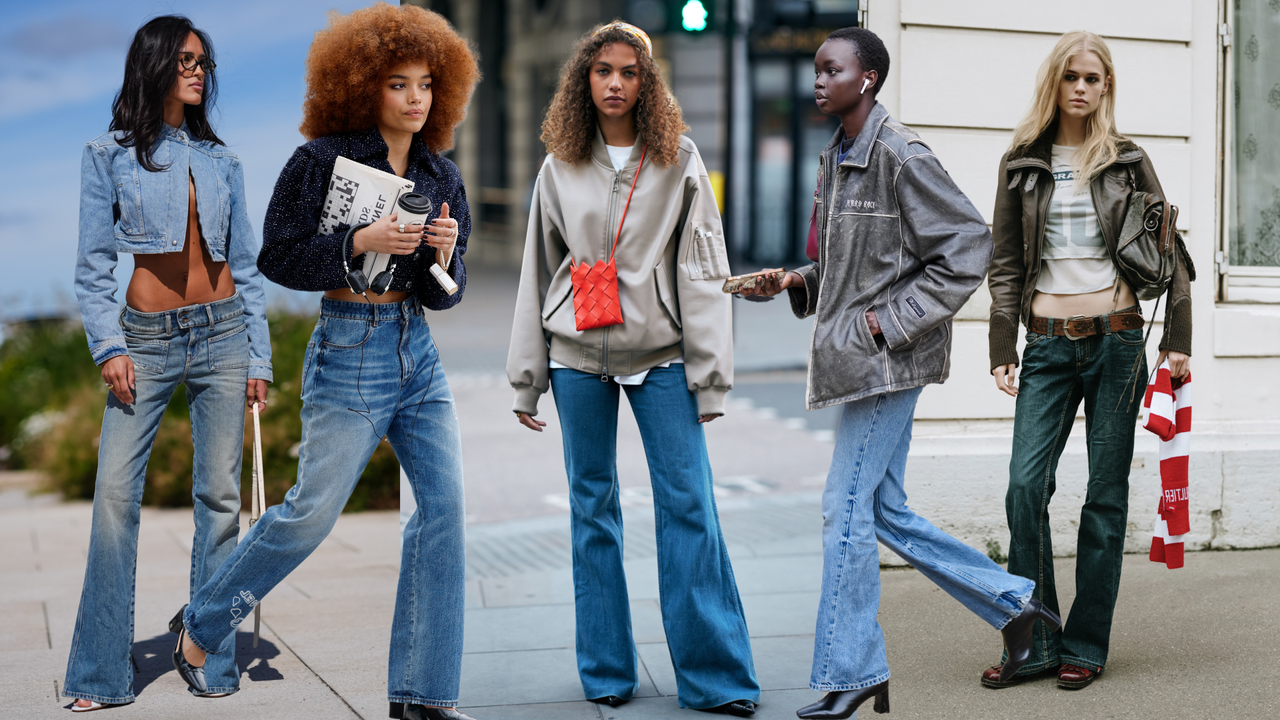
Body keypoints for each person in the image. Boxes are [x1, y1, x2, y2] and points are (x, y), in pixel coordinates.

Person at [168, 6, 480, 720]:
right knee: (310, 514)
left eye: (426, 84)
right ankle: (203, 621)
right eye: (397, 83)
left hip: (417, 355)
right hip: (348, 349)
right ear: (363, 86)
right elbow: (276, 255)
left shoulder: (442, 175)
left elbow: (446, 297)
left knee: (445, 513)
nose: (414, 98)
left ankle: (423, 695)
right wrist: (358, 239)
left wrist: (441, 258)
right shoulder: (318, 162)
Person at [741, 27, 1059, 720]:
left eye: (833, 69)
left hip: (888, 362)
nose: (819, 80)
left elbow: (968, 248)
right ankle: (1013, 601)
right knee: (882, 510)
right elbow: (856, 270)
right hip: (864, 359)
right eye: (818, 69)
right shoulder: (841, 156)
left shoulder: (901, 153)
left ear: (869, 79)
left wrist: (888, 323)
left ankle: (851, 672)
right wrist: (793, 281)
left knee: (843, 511)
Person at [507, 21, 760, 718]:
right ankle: (607, 671)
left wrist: (710, 377)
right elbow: (536, 271)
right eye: (603, 71)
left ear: (648, 82)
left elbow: (706, 274)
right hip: (574, 359)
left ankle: (717, 679)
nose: (615, 83)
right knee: (594, 511)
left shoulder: (678, 159)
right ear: (583, 80)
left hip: (663, 357)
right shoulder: (560, 163)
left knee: (689, 507)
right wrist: (527, 376)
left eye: (629, 72)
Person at [62, 15, 272, 712]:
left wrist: (259, 356)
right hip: (144, 341)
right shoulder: (108, 153)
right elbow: (93, 269)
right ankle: (98, 673)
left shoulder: (224, 161)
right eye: (185, 58)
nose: (197, 70)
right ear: (153, 62)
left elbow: (246, 266)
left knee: (219, 501)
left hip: (223, 334)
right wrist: (109, 345)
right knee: (115, 501)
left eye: (203, 62)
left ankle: (207, 652)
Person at [983, 30, 1193, 691]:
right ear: (1056, 81)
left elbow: (1171, 251)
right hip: (1045, 343)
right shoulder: (1021, 161)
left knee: (1104, 495)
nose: (1081, 87)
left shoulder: (1127, 161)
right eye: (1071, 76)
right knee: (1024, 488)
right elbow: (1006, 262)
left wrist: (1177, 339)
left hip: (1118, 340)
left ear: (1106, 88)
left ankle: (1086, 643)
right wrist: (1001, 345)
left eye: (1093, 78)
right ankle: (1037, 640)